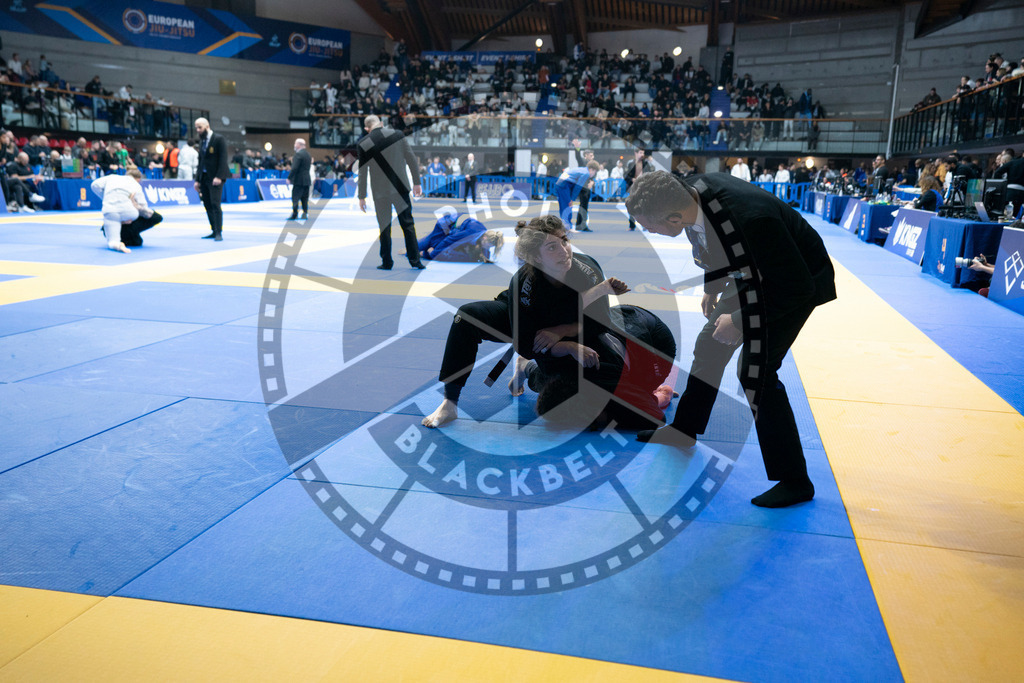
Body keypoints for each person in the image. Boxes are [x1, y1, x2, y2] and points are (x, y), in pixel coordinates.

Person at [626, 171, 837, 509]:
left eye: (651, 225)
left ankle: (795, 480)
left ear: (674, 216)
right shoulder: (690, 194)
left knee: (756, 371)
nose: (649, 231)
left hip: (796, 279)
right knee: (709, 343)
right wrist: (713, 289)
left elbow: (796, 287)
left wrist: (739, 321)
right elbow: (708, 239)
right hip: (753, 269)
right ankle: (685, 429)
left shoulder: (751, 220)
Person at [421, 215, 626, 430]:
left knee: (563, 386)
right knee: (465, 317)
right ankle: (449, 403)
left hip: (573, 326)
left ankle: (526, 368)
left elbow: (602, 322)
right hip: (526, 318)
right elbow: (526, 344)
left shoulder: (588, 271)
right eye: (552, 247)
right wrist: (566, 346)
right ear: (536, 258)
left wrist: (561, 332)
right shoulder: (524, 282)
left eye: (564, 241)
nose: (564, 251)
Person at [357, 114, 425, 270]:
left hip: (380, 192)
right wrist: (417, 182)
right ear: (381, 123)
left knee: (384, 227)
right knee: (408, 225)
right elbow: (411, 159)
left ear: (367, 129)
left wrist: (362, 196)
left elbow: (363, 172)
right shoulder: (398, 135)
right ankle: (416, 261)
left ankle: (387, 262)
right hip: (400, 188)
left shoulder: (364, 142)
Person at [90, 168, 162, 253]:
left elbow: (94, 185)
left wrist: (105, 197)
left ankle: (117, 244)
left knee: (113, 241)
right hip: (130, 214)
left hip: (110, 211)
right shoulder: (135, 184)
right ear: (138, 179)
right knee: (154, 218)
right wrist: (134, 204)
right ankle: (124, 226)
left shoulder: (111, 177)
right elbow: (144, 207)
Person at [194, 116, 230, 241]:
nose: (198, 130)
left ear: (207, 126)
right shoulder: (202, 141)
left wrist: (219, 176)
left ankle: (219, 232)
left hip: (215, 177)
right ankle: (213, 230)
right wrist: (197, 180)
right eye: (196, 128)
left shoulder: (219, 139)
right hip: (204, 177)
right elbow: (201, 161)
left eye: (200, 127)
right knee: (207, 204)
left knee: (215, 204)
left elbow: (223, 159)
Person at [416, 212, 503, 262]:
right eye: (489, 246)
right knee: (431, 245)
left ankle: (417, 250)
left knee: (433, 246)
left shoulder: (484, 233)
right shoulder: (471, 233)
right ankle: (412, 250)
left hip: (454, 225)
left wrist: (486, 257)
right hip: (445, 225)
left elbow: (484, 249)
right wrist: (433, 255)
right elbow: (449, 240)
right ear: (485, 239)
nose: (488, 248)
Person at [555, 160, 599, 231]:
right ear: (591, 169)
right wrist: (572, 199)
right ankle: (567, 225)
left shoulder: (583, 169)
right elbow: (578, 187)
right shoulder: (586, 173)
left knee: (564, 205)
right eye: (595, 172)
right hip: (564, 185)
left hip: (562, 183)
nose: (594, 174)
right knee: (567, 205)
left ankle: (566, 224)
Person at [624, 148, 654, 231]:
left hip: (643, 187)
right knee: (631, 206)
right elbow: (625, 175)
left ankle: (645, 225)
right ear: (636, 153)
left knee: (644, 207)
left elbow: (651, 174)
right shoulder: (630, 163)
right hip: (632, 187)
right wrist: (632, 179)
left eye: (643, 153)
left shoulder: (646, 163)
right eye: (640, 153)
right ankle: (632, 225)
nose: (642, 155)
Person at [288, 138, 312, 220]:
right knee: (305, 198)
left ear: (298, 145)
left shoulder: (298, 155)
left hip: (299, 180)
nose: (294, 145)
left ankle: (295, 213)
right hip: (307, 180)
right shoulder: (308, 155)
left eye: (295, 144)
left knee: (295, 197)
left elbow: (294, 168)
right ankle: (305, 213)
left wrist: (289, 177)